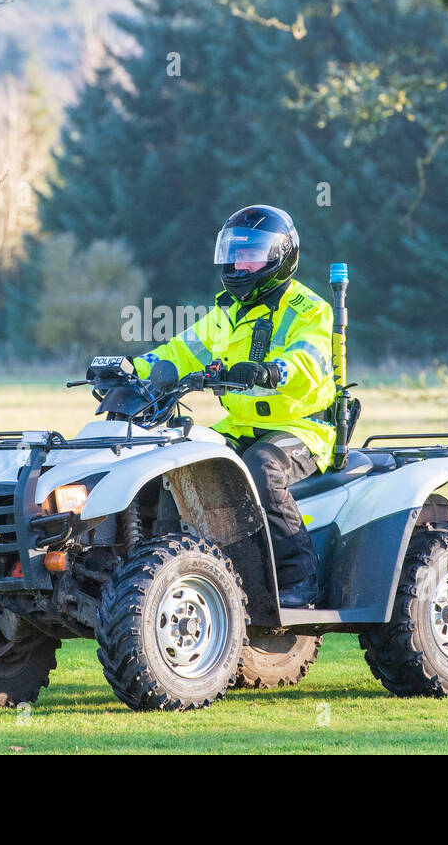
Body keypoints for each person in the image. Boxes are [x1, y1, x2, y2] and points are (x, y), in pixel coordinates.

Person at [132, 205, 335, 607]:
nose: (239, 264)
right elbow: (178, 353)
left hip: (302, 428)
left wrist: (271, 371)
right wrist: (130, 370)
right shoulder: (226, 312)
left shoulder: (309, 310)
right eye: (235, 254)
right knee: (175, 459)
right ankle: (171, 570)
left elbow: (308, 360)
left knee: (263, 468)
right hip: (239, 426)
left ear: (281, 256)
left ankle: (299, 580)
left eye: (250, 255)